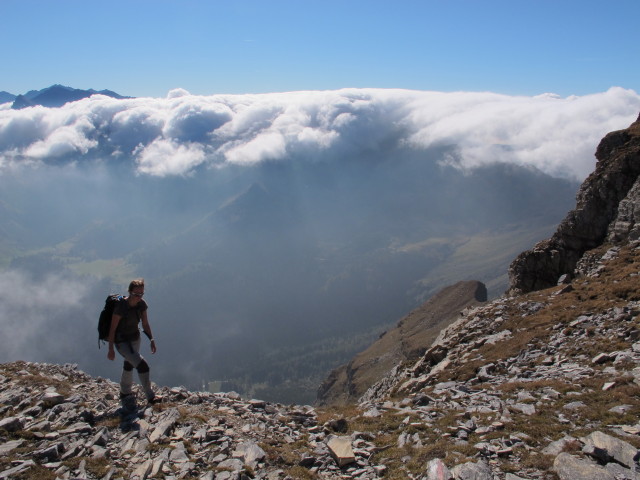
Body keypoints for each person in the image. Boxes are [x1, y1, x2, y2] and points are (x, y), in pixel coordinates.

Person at [107, 278, 160, 405]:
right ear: (130, 292)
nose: (139, 297)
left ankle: (124, 392)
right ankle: (150, 397)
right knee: (142, 365)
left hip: (135, 338)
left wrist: (152, 339)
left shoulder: (142, 304)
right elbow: (112, 329)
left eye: (141, 294)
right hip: (122, 342)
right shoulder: (121, 307)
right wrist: (111, 349)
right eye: (136, 294)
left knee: (129, 363)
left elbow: (145, 324)